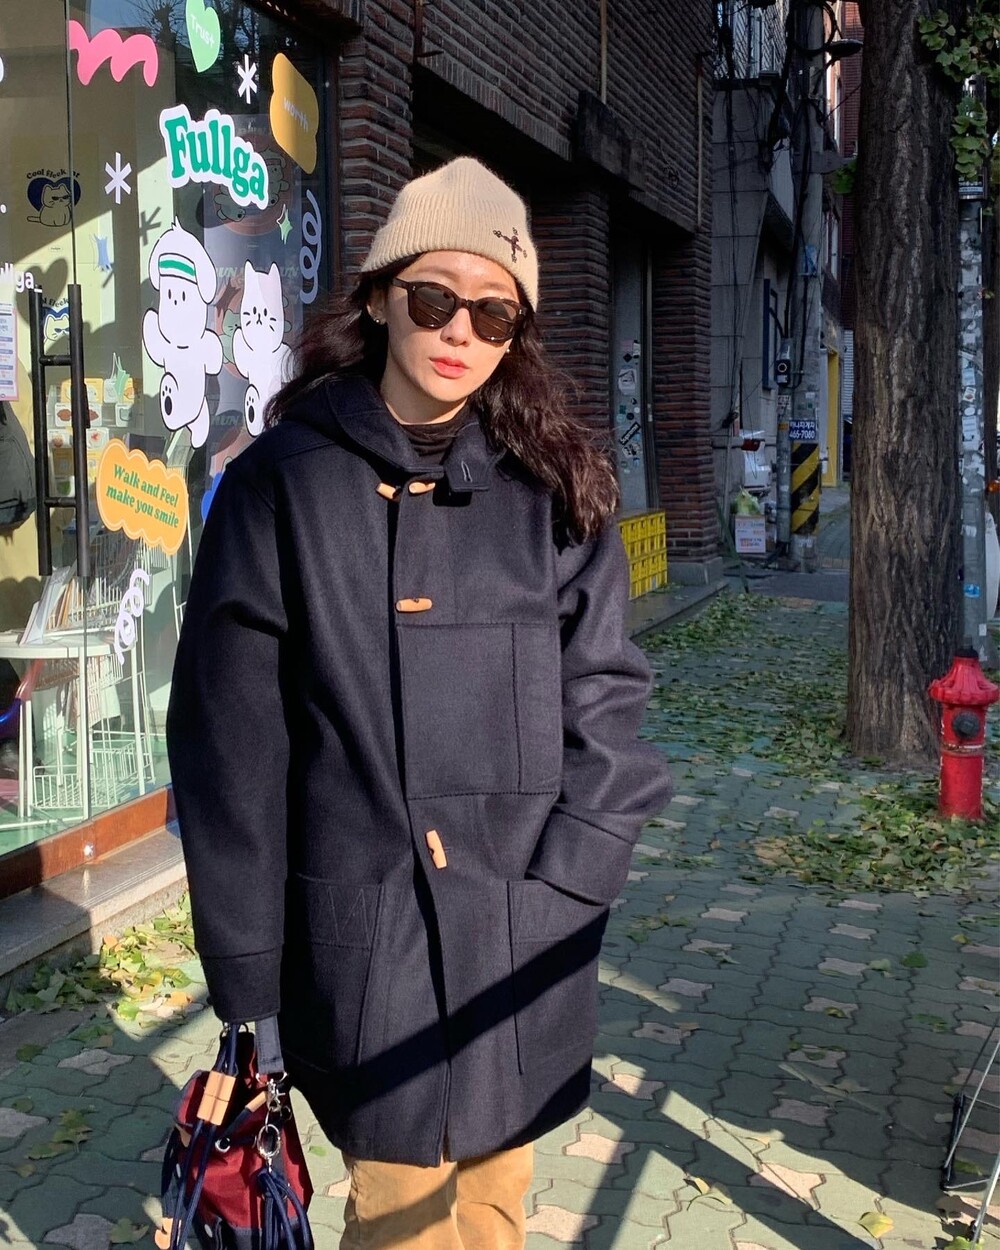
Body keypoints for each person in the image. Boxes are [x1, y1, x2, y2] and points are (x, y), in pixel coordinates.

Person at [166, 156, 672, 1250]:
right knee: (401, 1221)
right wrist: (247, 980)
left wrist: (571, 881)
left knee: (493, 1211)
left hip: (522, 926)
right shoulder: (280, 485)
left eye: (494, 313)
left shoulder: (553, 487)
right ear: (381, 298)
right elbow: (230, 748)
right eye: (435, 298)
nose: (460, 333)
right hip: (369, 940)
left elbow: (607, 702)